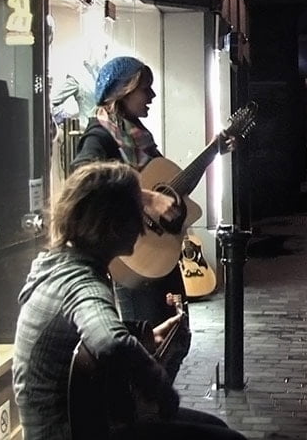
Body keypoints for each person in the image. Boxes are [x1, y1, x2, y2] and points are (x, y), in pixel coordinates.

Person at [13, 161, 246, 440]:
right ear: (113, 225)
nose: (143, 227)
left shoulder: (55, 263)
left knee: (217, 428)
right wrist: (161, 390)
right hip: (72, 430)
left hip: (85, 413)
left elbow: (82, 334)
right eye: (137, 215)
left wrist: (142, 335)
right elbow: (110, 342)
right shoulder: (82, 282)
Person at [70, 55, 234, 383]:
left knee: (177, 337)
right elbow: (83, 177)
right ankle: (144, 416)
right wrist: (145, 197)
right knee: (149, 345)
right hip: (135, 258)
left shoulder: (138, 137)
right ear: (123, 91)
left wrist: (212, 153)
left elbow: (173, 187)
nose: (152, 97)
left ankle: (156, 407)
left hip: (160, 255)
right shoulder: (100, 137)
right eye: (146, 89)